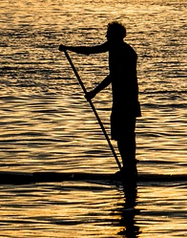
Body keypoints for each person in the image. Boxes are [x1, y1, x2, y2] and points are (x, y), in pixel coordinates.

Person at [59, 22, 141, 178]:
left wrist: (93, 93)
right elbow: (90, 51)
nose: (106, 36)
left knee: (126, 135)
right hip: (119, 100)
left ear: (117, 36)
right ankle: (128, 168)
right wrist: (69, 49)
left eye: (109, 33)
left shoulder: (125, 52)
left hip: (127, 100)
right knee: (120, 134)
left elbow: (113, 76)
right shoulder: (114, 47)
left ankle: (130, 169)